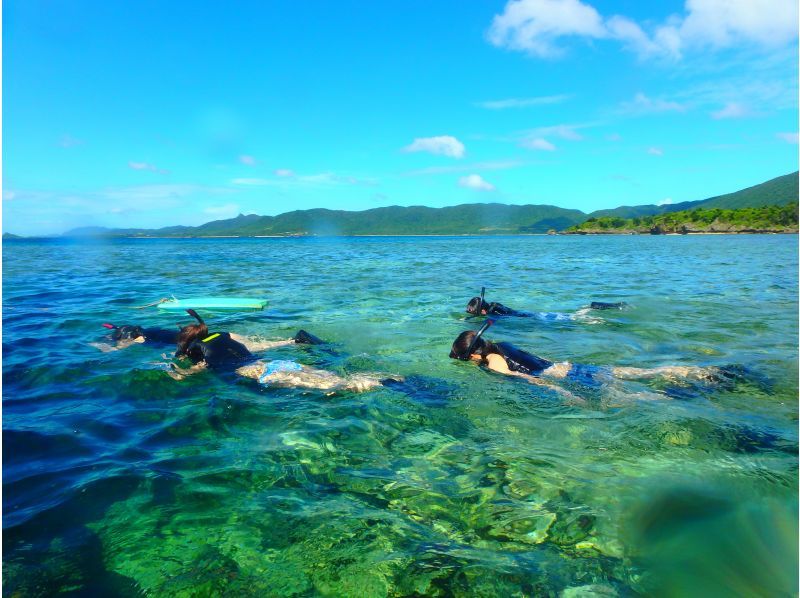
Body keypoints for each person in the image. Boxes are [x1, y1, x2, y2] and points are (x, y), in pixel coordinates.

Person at [449, 320, 733, 391]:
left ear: (472, 356)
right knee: (636, 372)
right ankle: (694, 370)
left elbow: (527, 380)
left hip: (561, 375)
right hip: (568, 365)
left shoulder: (492, 361)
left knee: (628, 394)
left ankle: (672, 395)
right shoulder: (502, 344)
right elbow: (535, 358)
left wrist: (564, 394)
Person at [168, 310, 394, 393]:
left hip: (258, 371)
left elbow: (191, 372)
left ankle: (382, 384)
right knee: (333, 379)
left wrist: (173, 371)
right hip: (274, 362)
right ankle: (389, 379)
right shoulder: (220, 336)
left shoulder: (197, 351)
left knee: (340, 385)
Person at [465, 287, 626, 319]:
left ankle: (602, 307)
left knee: (577, 318)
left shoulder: (495, 313)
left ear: (483, 311)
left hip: (536, 318)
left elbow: (492, 321)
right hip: (532, 314)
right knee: (575, 315)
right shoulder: (494, 305)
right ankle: (594, 306)